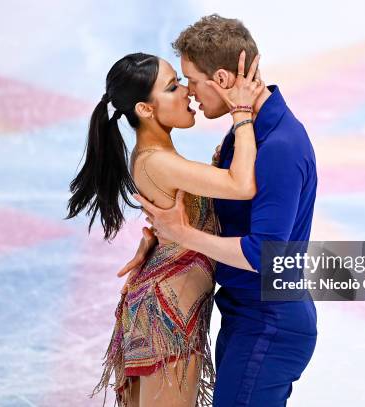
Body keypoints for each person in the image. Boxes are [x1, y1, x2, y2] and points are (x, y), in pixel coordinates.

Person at [122, 15, 318, 407]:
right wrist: (162, 245)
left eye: (191, 81)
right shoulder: (246, 130)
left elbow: (263, 255)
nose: (190, 93)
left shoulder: (277, 145)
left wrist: (182, 235)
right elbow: (223, 207)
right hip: (244, 313)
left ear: (224, 80)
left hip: (270, 322)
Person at [65, 51, 264, 407]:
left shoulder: (158, 156)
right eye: (173, 87)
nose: (187, 91)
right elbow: (241, 185)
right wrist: (242, 112)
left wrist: (156, 242)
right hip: (167, 318)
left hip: (167, 305)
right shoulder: (158, 161)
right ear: (145, 109)